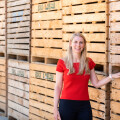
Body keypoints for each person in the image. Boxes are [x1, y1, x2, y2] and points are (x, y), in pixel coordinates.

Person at [54, 32, 120, 120]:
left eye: (81, 42)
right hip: (66, 105)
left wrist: (111, 76)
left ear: (84, 45)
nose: (78, 45)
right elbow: (58, 86)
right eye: (75, 42)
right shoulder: (62, 62)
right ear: (70, 43)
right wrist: (55, 108)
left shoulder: (88, 62)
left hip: (84, 106)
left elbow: (96, 83)